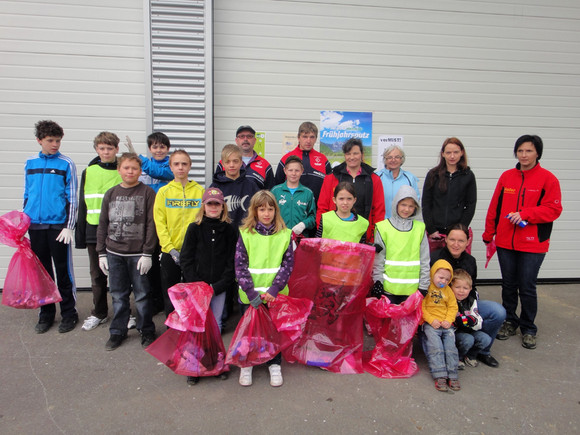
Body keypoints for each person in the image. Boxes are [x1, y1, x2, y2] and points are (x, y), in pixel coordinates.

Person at [483, 135, 562, 350]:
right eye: (520, 151)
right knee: (508, 285)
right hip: (505, 242)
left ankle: (528, 328)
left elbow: (554, 209)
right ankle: (510, 321)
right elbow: (495, 206)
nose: (524, 155)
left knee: (527, 286)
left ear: (538, 153)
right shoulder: (507, 177)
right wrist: (489, 233)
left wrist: (526, 214)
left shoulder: (548, 179)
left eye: (529, 151)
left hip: (533, 243)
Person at [96, 153, 158, 351]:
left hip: (138, 255)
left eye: (134, 168)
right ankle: (117, 331)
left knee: (142, 295)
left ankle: (146, 329)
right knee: (118, 295)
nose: (130, 171)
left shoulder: (148, 193)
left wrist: (147, 252)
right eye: (126, 168)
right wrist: (101, 253)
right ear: (119, 169)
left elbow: (152, 224)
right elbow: (103, 224)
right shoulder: (111, 193)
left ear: (140, 171)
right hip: (114, 254)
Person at [24, 120, 78, 334]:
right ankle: (46, 314)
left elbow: (72, 197)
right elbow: (27, 194)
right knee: (42, 273)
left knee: (63, 272)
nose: (55, 144)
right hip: (35, 227)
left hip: (58, 227)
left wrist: (69, 226)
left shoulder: (66, 163)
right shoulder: (30, 163)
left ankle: (69, 313)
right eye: (50, 140)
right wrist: (23, 222)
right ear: (39, 140)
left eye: (58, 140)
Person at [180, 187, 238, 385]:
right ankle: (194, 365)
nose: (213, 207)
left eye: (217, 204)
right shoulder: (194, 228)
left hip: (218, 287)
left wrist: (219, 285)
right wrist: (197, 284)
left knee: (216, 324)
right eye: (210, 204)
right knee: (197, 325)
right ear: (203, 206)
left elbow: (232, 261)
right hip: (198, 288)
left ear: (223, 207)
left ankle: (215, 362)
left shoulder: (229, 229)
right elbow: (186, 258)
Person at [235, 190, 294, 387]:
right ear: (254, 211)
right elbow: (240, 266)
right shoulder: (246, 234)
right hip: (251, 296)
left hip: (275, 296)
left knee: (273, 332)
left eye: (270, 209)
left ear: (276, 211)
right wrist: (251, 293)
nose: (266, 213)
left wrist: (275, 289)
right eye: (261, 209)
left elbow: (287, 265)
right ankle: (247, 364)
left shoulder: (285, 235)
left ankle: (274, 364)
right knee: (249, 332)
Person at [431, 223, 505, 367]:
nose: (456, 244)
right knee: (460, 334)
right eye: (452, 239)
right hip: (442, 308)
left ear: (468, 242)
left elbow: (473, 288)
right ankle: (458, 347)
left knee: (498, 311)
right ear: (445, 239)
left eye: (461, 241)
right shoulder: (435, 258)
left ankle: (482, 350)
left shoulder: (470, 261)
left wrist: (471, 312)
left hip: (465, 304)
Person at [76, 131, 122, 331]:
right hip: (94, 230)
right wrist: (81, 235)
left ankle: (124, 312)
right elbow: (83, 203)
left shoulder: (122, 169)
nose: (106, 152)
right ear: (96, 149)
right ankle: (99, 313)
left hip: (119, 230)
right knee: (97, 275)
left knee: (121, 275)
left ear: (116, 149)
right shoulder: (89, 171)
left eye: (109, 148)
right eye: (102, 148)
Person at [154, 150, 205, 316]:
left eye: (184, 164)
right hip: (171, 251)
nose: (180, 167)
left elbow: (203, 221)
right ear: (170, 167)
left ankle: (192, 324)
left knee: (193, 291)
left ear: (190, 166)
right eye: (176, 164)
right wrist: (169, 248)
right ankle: (172, 325)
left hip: (193, 252)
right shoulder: (163, 192)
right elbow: (160, 223)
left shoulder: (199, 191)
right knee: (171, 293)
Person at [317, 138, 385, 242]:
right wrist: (325, 231)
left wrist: (373, 237)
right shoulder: (331, 178)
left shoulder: (374, 179)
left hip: (362, 237)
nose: (352, 157)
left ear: (362, 155)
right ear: (344, 155)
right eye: (348, 154)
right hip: (334, 237)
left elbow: (379, 211)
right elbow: (322, 208)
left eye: (355, 153)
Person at [372, 185, 430, 305]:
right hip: (388, 289)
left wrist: (424, 286)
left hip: (412, 291)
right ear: (396, 204)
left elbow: (424, 259)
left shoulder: (420, 229)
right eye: (403, 205)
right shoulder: (383, 227)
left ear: (416, 208)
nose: (406, 209)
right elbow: (378, 260)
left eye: (411, 206)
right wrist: (377, 281)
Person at [421, 137, 477, 252]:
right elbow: (426, 204)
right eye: (448, 152)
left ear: (462, 153)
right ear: (443, 154)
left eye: (456, 152)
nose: (452, 156)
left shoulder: (468, 175)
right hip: (436, 234)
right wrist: (431, 229)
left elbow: (470, 205)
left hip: (456, 234)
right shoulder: (433, 174)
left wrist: (461, 229)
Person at [421, 260, 459, 392]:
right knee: (435, 346)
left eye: (447, 279)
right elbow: (421, 306)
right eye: (441, 277)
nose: (443, 281)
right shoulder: (427, 288)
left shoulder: (448, 291)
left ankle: (453, 374)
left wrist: (449, 320)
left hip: (446, 324)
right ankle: (440, 374)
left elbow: (453, 307)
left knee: (450, 347)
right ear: (433, 274)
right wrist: (431, 320)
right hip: (431, 324)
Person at [275, 121, 331, 202]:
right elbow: (277, 186)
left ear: (316, 139)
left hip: (318, 208)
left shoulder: (323, 159)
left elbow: (330, 186)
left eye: (312, 137)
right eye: (305, 137)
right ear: (298, 138)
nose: (308, 141)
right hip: (293, 207)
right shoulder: (286, 158)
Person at [210, 144, 260, 228]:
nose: (232, 165)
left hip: (246, 233)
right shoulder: (214, 188)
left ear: (241, 163)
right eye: (227, 162)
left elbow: (259, 211)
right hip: (222, 233)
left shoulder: (251, 186)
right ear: (222, 164)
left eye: (235, 161)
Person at [450, 269, 490, 370]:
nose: (461, 291)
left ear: (470, 289)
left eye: (465, 288)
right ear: (451, 287)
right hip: (456, 333)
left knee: (485, 339)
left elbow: (478, 320)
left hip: (469, 330)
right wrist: (459, 321)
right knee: (467, 340)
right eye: (457, 287)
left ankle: (470, 355)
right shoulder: (449, 301)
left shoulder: (471, 301)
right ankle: (457, 357)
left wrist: (472, 321)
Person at [214, 125, 275, 190]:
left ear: (254, 140)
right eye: (242, 136)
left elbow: (270, 192)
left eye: (249, 136)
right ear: (236, 140)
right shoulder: (223, 163)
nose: (245, 139)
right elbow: (215, 189)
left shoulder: (265, 165)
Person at [271, 155, 316, 237]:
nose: (293, 173)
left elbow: (313, 217)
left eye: (297, 170)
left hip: (301, 238)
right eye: (290, 170)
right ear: (285, 171)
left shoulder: (308, 193)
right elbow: (269, 213)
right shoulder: (275, 191)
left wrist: (303, 224)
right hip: (279, 236)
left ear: (302, 171)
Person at [375, 144, 420, 219]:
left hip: (403, 222)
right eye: (389, 157)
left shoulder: (410, 178)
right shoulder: (376, 177)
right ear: (385, 160)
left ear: (402, 159)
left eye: (397, 157)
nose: (393, 160)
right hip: (381, 222)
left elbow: (415, 200)